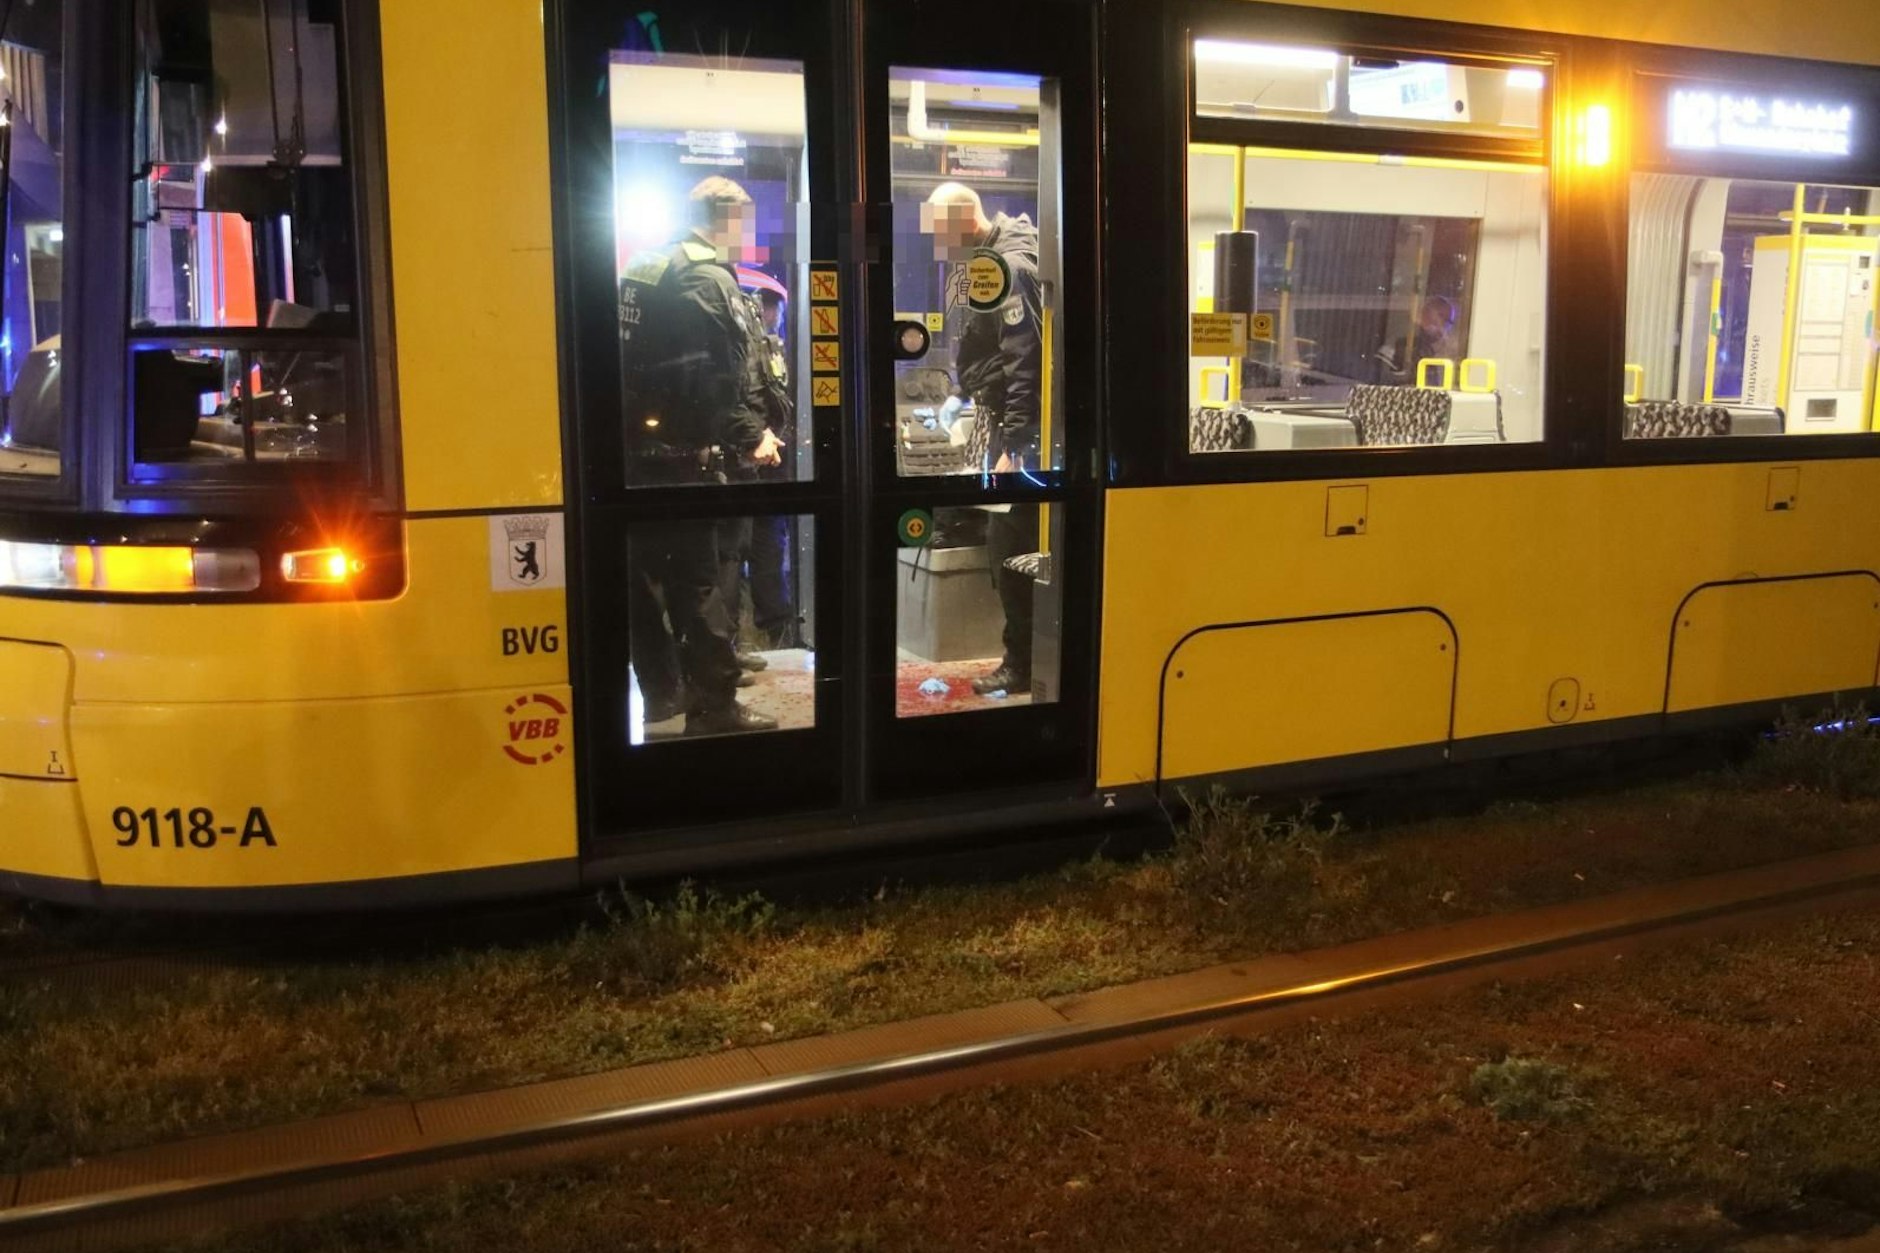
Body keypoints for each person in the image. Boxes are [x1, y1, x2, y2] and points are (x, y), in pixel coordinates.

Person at [617, 176, 785, 736]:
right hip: (683, 457)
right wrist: (750, 434)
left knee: (641, 586)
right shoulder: (709, 278)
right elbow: (718, 372)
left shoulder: (641, 265)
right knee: (699, 586)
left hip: (630, 459)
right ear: (727, 219)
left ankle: (662, 696)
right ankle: (715, 709)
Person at [922, 182, 1043, 698]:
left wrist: (1016, 442)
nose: (934, 246)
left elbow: (1027, 360)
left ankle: (1022, 663)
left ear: (963, 222)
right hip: (1006, 424)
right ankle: (1025, 655)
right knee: (1006, 545)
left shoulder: (1009, 268)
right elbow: (983, 346)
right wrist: (960, 396)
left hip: (1026, 437)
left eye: (938, 234)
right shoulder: (985, 262)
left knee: (1011, 549)